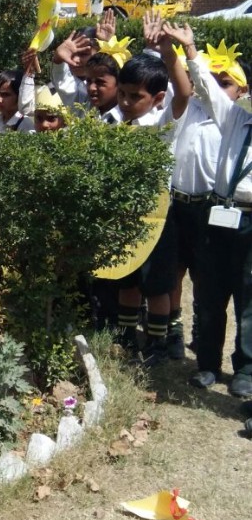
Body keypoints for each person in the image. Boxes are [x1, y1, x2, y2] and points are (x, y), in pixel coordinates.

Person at [172, 23, 252, 396]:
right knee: (209, 295)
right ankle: (207, 365)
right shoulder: (236, 118)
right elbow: (204, 87)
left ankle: (246, 372)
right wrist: (190, 50)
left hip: (251, 221)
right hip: (219, 215)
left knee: (249, 302)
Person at [111, 30, 191, 366]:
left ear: (157, 98)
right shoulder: (115, 125)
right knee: (126, 278)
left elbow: (184, 93)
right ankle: (128, 336)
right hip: (125, 217)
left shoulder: (162, 124)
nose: (126, 102)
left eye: (135, 96)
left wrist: (171, 55)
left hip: (157, 218)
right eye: (123, 94)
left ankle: (157, 343)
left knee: (157, 285)